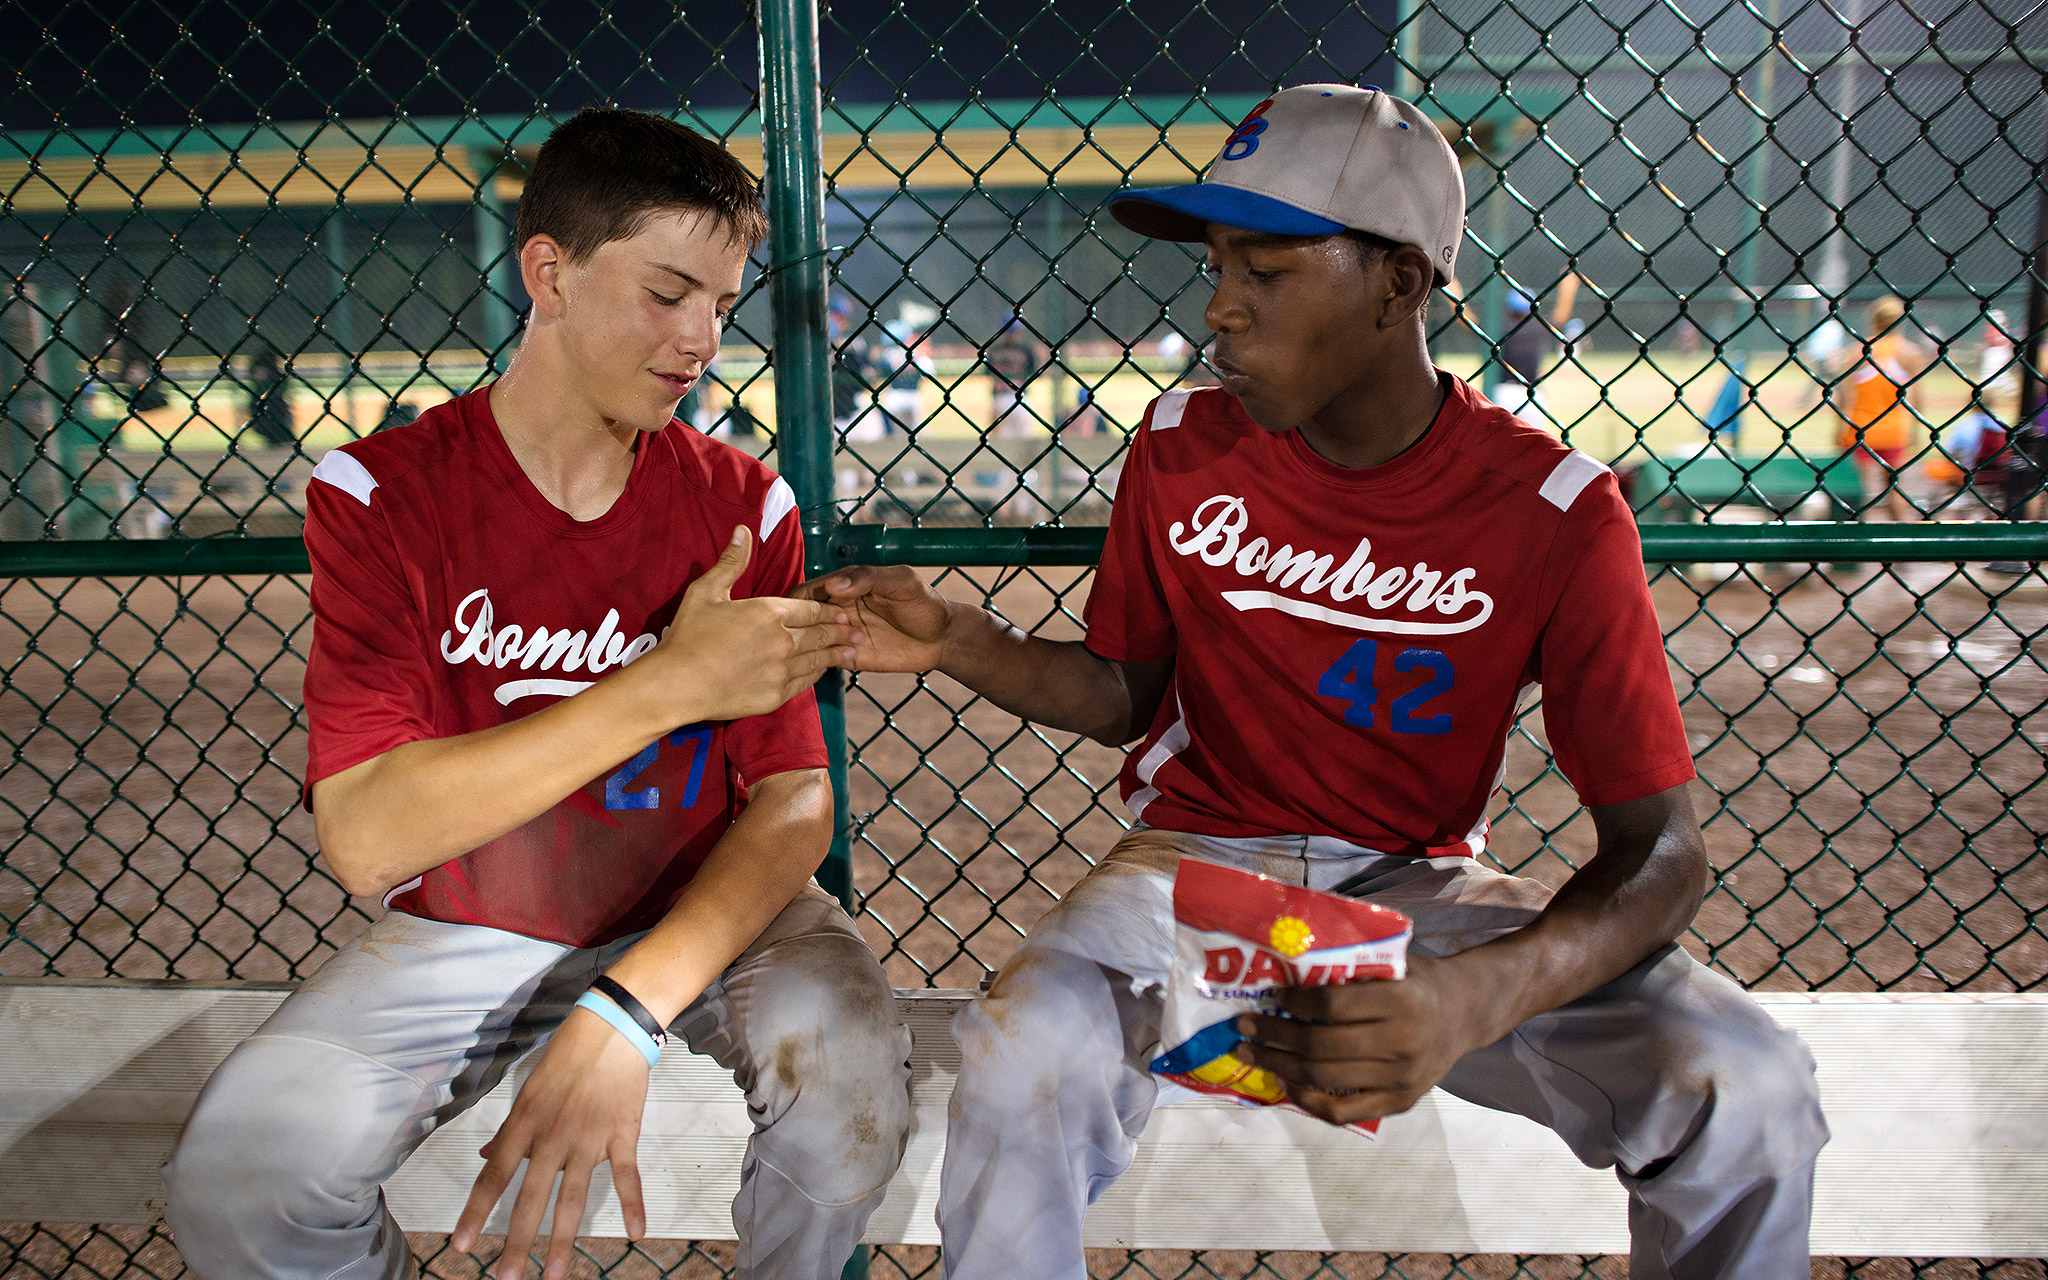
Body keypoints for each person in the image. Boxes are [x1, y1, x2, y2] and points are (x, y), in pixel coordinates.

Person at [800, 84, 1827, 1280]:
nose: (1218, 308)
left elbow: (1659, 851)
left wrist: (1471, 997)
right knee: (1016, 1052)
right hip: (1187, 876)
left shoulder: (1555, 506)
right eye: (1216, 267)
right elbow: (1125, 692)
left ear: (1398, 285)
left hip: (1414, 896)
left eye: (1267, 270)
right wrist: (958, 638)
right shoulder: (1179, 441)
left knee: (1746, 1083)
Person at [161, 109, 912, 1280]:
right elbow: (366, 837)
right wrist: (664, 684)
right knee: (244, 1170)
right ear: (549, 273)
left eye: (722, 303)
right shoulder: (382, 491)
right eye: (667, 292)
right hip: (472, 921)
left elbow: (792, 802)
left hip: (700, 911)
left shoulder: (740, 502)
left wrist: (626, 1007)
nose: (703, 338)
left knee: (849, 1082)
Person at [1835, 295, 1928, 522]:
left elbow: (1845, 398)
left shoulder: (1857, 352)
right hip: (1893, 431)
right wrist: (1915, 432)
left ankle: (1858, 537)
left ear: (1873, 321)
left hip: (1859, 428)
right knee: (1894, 487)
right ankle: (1900, 536)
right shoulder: (1909, 353)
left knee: (1861, 493)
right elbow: (1918, 400)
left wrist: (1838, 429)